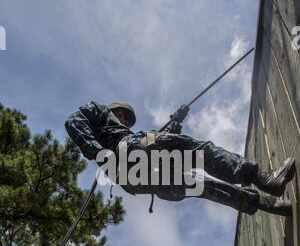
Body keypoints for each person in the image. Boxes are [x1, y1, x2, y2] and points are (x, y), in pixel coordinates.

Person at [65, 101, 295, 216]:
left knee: (203, 185)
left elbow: (165, 143)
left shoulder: (128, 135)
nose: (123, 119)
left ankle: (267, 204)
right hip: (130, 162)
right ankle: (261, 178)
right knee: (198, 149)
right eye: (120, 114)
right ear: (111, 110)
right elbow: (74, 121)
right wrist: (99, 153)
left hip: (142, 177)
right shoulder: (98, 111)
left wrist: (176, 121)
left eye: (127, 118)